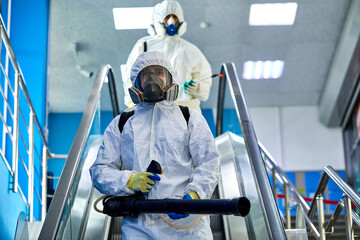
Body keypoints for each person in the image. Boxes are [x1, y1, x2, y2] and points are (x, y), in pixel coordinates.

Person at [90, 51, 219, 239]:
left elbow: (209, 161)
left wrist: (194, 196)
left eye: (159, 72)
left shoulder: (189, 117)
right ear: (136, 82)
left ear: (169, 78)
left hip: (187, 228)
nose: (152, 79)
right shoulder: (123, 123)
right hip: (139, 227)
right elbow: (99, 170)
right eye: (145, 74)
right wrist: (128, 180)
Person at [123, 0, 212, 112]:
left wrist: (197, 88)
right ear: (159, 19)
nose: (171, 21)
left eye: (174, 17)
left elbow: (204, 77)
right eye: (167, 17)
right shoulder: (144, 45)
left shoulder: (190, 50)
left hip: (180, 108)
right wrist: (133, 101)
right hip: (148, 106)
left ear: (180, 20)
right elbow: (129, 76)